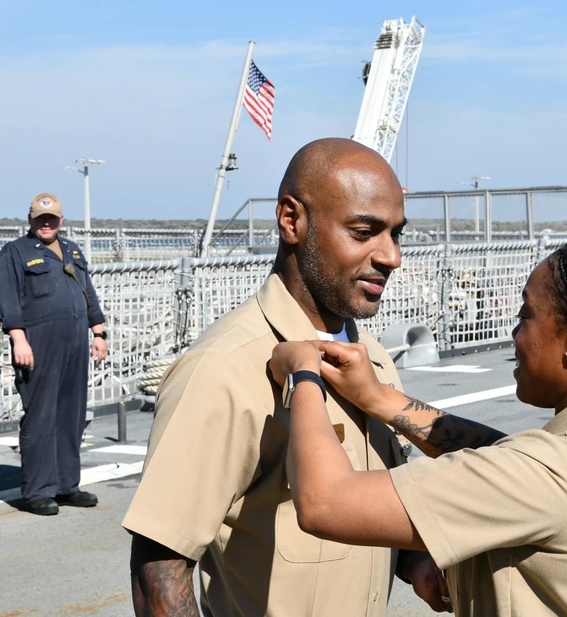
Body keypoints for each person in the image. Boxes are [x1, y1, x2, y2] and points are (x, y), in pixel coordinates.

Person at [269, 233, 567, 616]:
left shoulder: (550, 474)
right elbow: (512, 461)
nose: (515, 335)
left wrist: (304, 373)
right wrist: (377, 396)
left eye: (526, 316)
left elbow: (324, 503)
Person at [124, 138, 447, 616]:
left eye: (395, 234)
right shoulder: (225, 367)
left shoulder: (372, 359)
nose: (391, 256)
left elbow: (373, 503)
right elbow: (159, 568)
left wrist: (416, 563)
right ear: (292, 220)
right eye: (364, 232)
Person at [0, 193, 108, 516]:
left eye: (53, 218)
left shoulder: (71, 249)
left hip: (75, 339)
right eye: (41, 218)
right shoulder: (15, 252)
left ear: (61, 220)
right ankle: (39, 490)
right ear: (30, 219)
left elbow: (88, 292)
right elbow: (7, 300)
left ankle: (66, 485)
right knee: (41, 414)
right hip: (37, 341)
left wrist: (98, 332)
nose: (47, 223)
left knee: (72, 414)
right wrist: (19, 339)